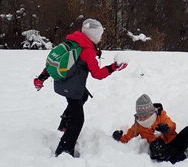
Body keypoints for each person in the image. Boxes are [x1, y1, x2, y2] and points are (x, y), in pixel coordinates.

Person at [33, 18, 127, 157]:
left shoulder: (73, 42)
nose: (100, 38)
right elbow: (97, 74)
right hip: (71, 89)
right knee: (78, 120)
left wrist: (41, 77)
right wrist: (114, 67)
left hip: (62, 83)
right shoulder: (87, 51)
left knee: (83, 95)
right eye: (99, 35)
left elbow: (55, 62)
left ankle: (65, 124)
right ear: (94, 36)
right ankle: (64, 150)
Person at [112, 94, 188, 165]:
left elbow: (172, 125)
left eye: (145, 116)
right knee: (155, 145)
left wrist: (167, 129)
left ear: (151, 113)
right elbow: (127, 137)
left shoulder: (161, 115)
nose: (142, 118)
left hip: (173, 143)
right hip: (162, 150)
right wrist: (119, 137)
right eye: (140, 116)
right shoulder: (137, 125)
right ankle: (185, 159)